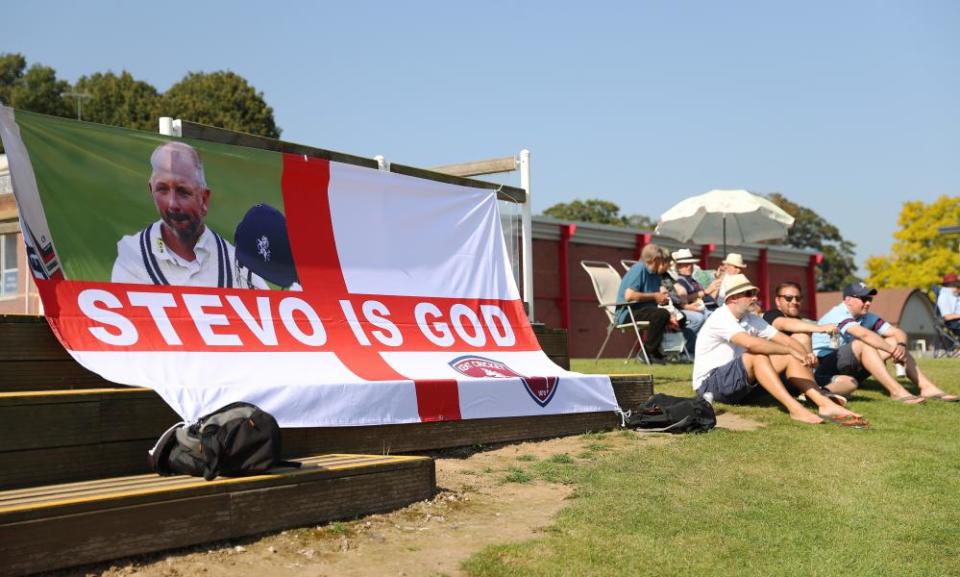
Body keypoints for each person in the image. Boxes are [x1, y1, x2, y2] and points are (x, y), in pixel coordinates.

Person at [693, 273, 865, 426]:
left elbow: (784, 339)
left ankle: (824, 404)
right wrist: (790, 350)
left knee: (787, 355)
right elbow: (752, 344)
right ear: (733, 298)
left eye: (754, 293)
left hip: (738, 385)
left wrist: (802, 354)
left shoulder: (750, 318)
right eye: (748, 294)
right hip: (709, 386)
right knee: (758, 354)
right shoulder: (721, 317)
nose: (754, 298)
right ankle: (795, 408)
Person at [112, 142, 267, 289]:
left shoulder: (235, 263)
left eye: (183, 192)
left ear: (204, 199)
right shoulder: (133, 255)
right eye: (162, 190)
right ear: (151, 191)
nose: (172, 204)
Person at [812, 282, 959, 403]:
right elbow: (863, 335)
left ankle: (926, 387)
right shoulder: (838, 313)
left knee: (895, 342)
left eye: (870, 299)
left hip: (847, 366)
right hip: (824, 368)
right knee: (864, 343)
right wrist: (891, 350)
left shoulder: (866, 316)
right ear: (848, 300)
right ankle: (896, 392)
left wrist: (900, 346)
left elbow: (897, 332)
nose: (868, 303)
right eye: (864, 299)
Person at [762, 281, 853, 402]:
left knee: (850, 381)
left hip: (806, 376)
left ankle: (819, 393)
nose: (794, 302)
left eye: (798, 298)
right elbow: (784, 324)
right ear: (778, 301)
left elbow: (812, 363)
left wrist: (814, 361)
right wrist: (820, 328)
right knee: (802, 336)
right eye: (788, 298)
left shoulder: (802, 322)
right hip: (779, 375)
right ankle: (813, 393)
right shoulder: (771, 315)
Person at [616, 244, 672, 363]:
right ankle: (648, 352)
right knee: (661, 314)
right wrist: (655, 296)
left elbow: (652, 297)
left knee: (664, 314)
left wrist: (661, 298)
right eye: (661, 260)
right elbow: (629, 296)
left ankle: (652, 352)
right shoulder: (639, 269)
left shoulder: (655, 275)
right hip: (627, 313)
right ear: (655, 260)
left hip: (643, 311)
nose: (662, 263)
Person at [672, 248, 710, 352]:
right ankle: (685, 348)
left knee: (711, 317)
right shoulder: (680, 281)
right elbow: (682, 300)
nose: (689, 267)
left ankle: (700, 349)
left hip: (697, 307)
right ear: (678, 267)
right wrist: (705, 292)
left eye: (691, 264)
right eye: (686, 264)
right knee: (699, 318)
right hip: (684, 309)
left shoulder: (692, 280)